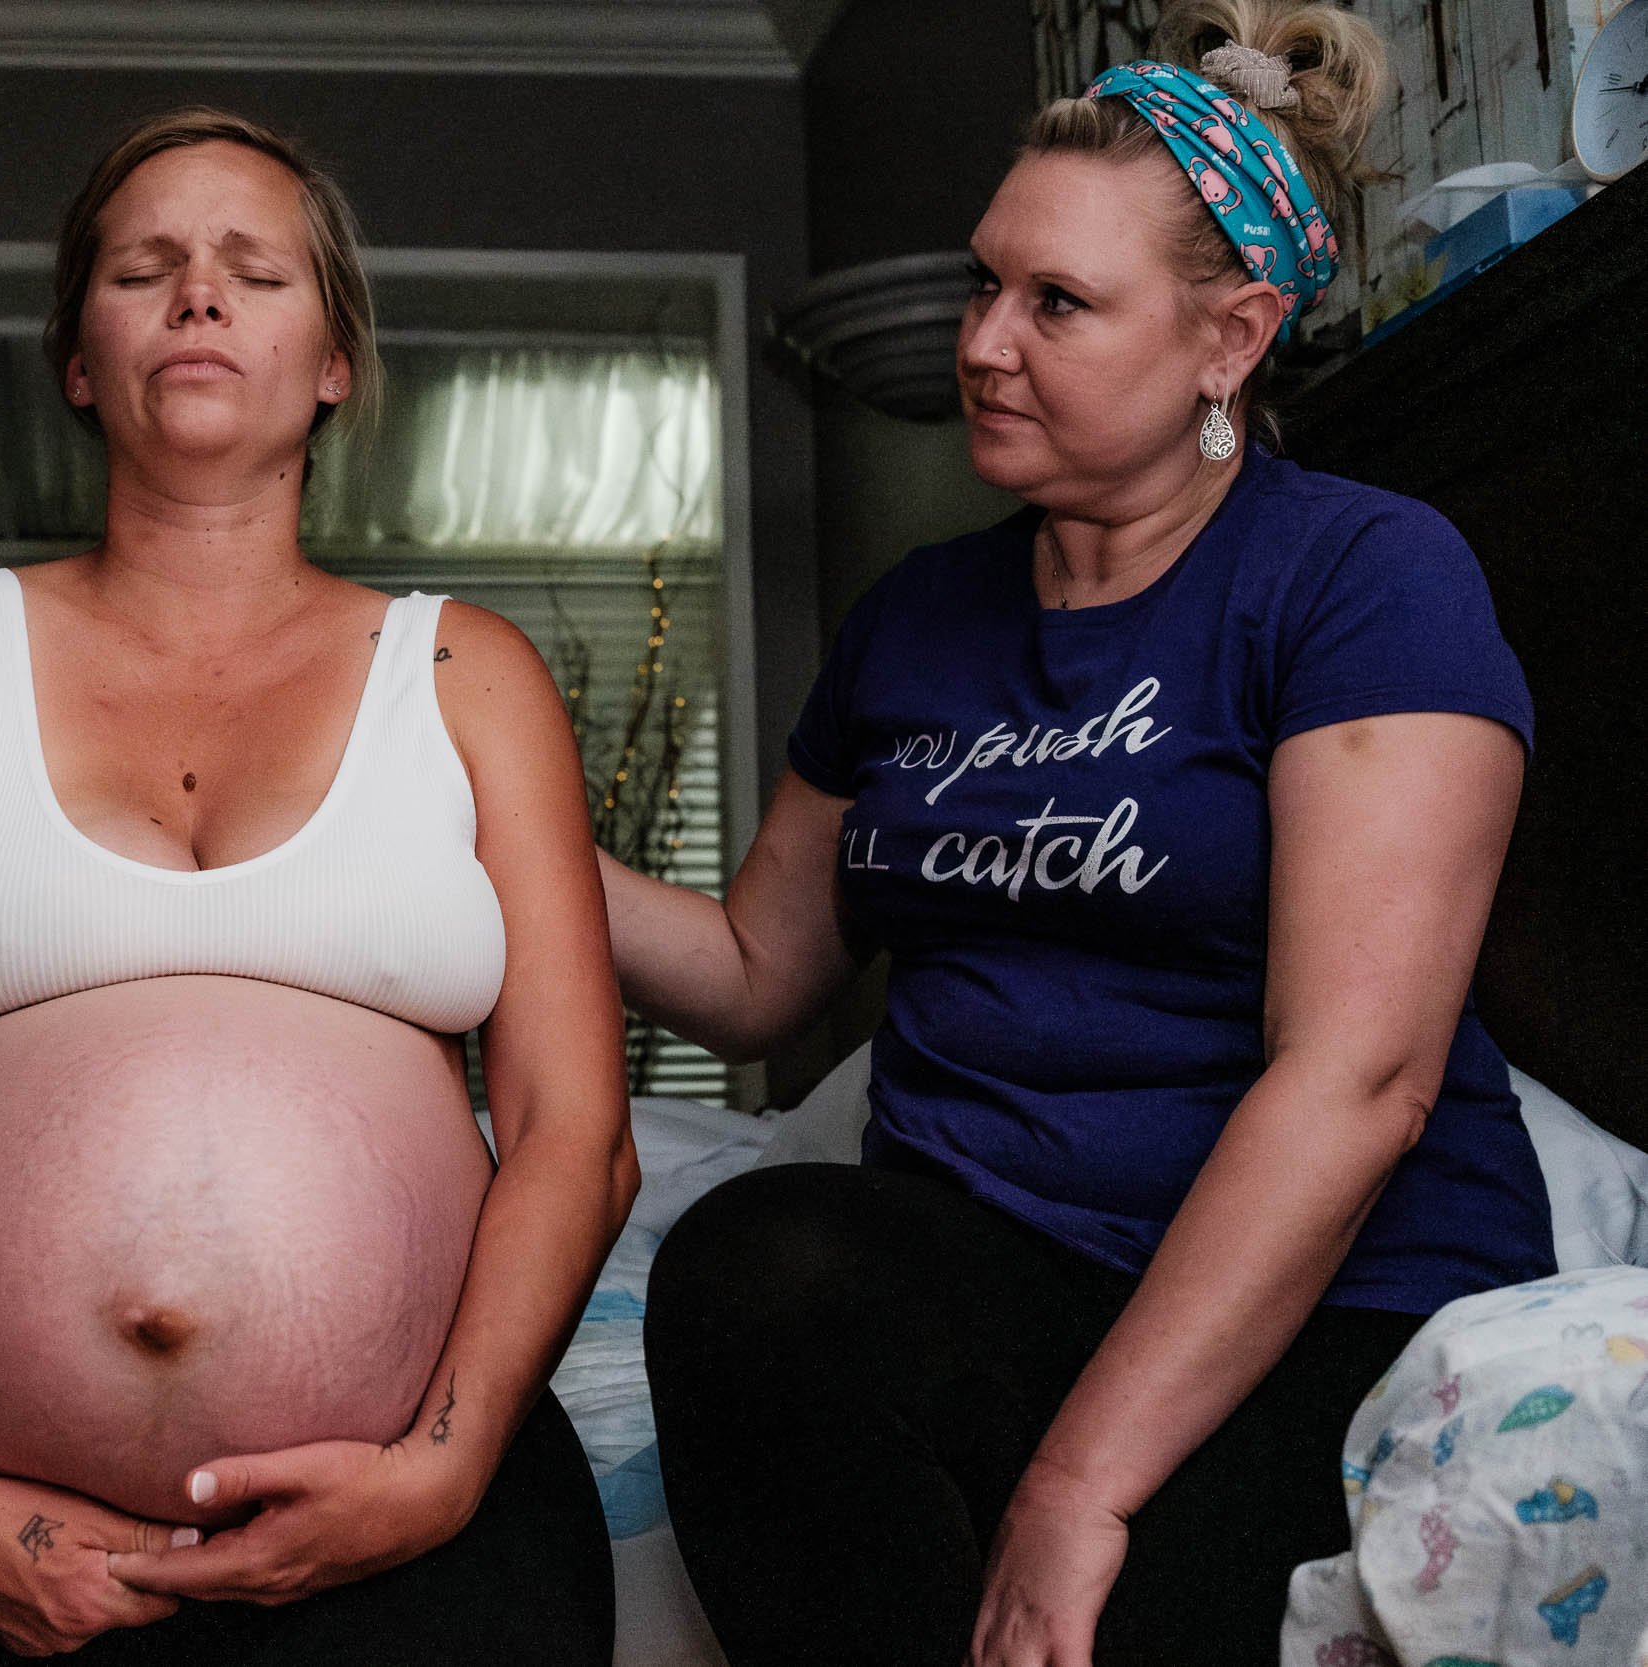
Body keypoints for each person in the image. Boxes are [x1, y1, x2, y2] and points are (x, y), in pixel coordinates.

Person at [601, 6, 1553, 1663]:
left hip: (1320, 1305)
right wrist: (478, 811)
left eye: (1058, 303)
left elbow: (1360, 1082)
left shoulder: (1361, 580)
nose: (983, 340)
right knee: (754, 1264)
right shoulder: (918, 622)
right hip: (994, 1265)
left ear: (1229, 340)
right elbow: (760, 975)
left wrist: (1078, 1487)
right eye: (987, 281)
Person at [0, 108, 634, 1666]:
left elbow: (577, 1132)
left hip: (401, 1504)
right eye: (145, 266)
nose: (199, 295)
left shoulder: (467, 675)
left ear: (333, 363)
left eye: (256, 268)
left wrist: (440, 1469)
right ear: (79, 359)